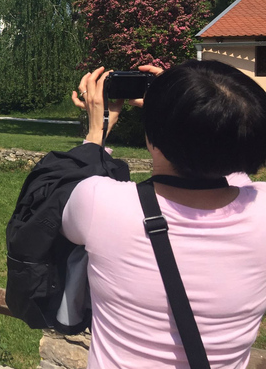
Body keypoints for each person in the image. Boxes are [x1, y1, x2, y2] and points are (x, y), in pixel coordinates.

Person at [62, 60, 266, 368]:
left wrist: (96, 131)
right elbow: (235, 170)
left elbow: (65, 216)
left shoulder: (99, 204)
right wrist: (198, 110)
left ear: (151, 135)